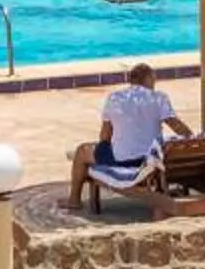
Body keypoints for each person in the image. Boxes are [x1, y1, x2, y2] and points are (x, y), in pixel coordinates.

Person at [68, 62, 191, 204]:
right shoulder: (159, 98)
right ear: (149, 79)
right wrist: (193, 140)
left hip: (122, 159)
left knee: (82, 151)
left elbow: (105, 136)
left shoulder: (114, 98)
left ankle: (74, 200)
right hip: (149, 159)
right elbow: (177, 126)